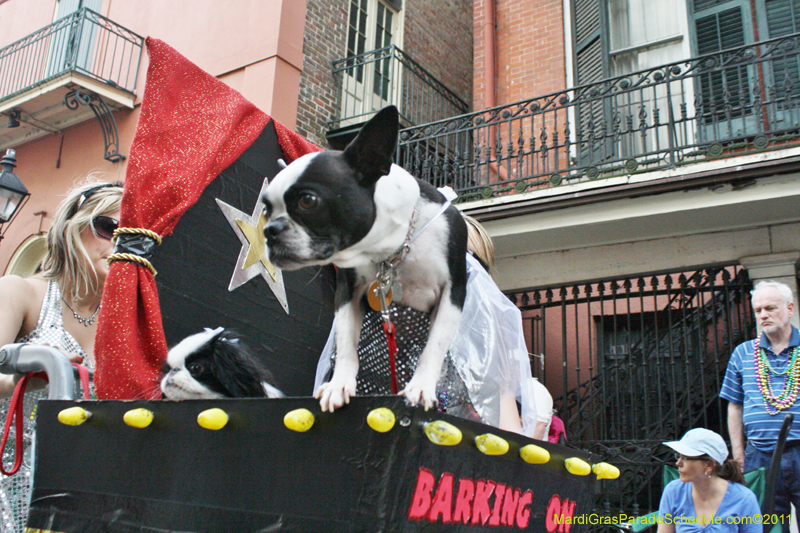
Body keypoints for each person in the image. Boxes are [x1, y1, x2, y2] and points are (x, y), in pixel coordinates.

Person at [0, 179, 123, 533]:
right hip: (7, 481)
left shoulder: (123, 324)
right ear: (73, 225)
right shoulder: (21, 293)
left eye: (129, 235)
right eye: (108, 227)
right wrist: (24, 373)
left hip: (75, 501)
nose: (118, 242)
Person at [720, 280, 800, 532]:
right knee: (766, 526)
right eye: (758, 310)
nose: (763, 315)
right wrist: (739, 454)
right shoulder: (742, 353)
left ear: (789, 308)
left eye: (770, 308)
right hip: (760, 456)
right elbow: (735, 406)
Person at [657, 428, 761, 533]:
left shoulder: (744, 499)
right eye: (678, 456)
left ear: (709, 465)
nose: (678, 463)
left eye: (685, 458)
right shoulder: (673, 491)